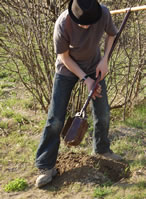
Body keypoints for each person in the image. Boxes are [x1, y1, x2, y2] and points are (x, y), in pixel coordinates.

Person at [35, 0, 122, 188]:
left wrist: (105, 60)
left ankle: (102, 150)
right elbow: (64, 57)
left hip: (94, 66)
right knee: (56, 118)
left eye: (89, 22)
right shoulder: (63, 23)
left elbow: (111, 35)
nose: (86, 26)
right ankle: (46, 166)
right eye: (82, 23)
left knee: (103, 113)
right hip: (67, 70)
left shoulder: (103, 14)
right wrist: (86, 80)